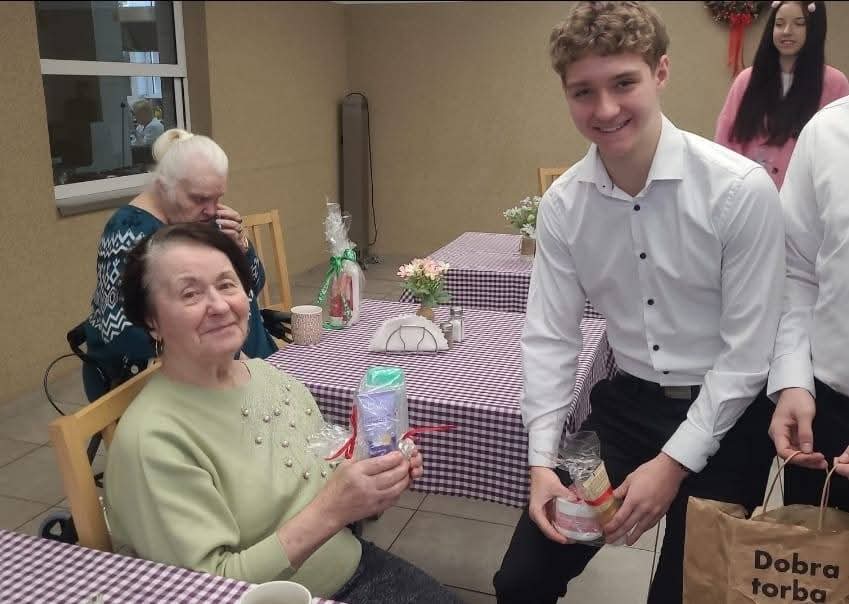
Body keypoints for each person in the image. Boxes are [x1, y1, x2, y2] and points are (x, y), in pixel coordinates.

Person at [492, 2, 784, 602]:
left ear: (661, 72)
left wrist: (673, 464)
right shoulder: (565, 205)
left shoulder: (737, 191)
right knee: (521, 579)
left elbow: (748, 354)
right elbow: (550, 338)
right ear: (566, 94)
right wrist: (542, 464)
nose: (605, 109)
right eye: (584, 91)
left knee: (685, 594)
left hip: (730, 414)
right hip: (628, 405)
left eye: (623, 83)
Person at [104, 223, 459, 603]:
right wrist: (333, 510)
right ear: (152, 320)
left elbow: (324, 482)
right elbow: (210, 589)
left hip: (351, 565)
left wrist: (373, 483)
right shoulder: (153, 440)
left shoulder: (268, 375)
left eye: (227, 284)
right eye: (190, 293)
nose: (220, 306)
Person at [82, 129, 278, 401]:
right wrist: (226, 354)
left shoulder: (200, 218)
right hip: (158, 381)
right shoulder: (127, 232)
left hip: (238, 370)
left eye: (218, 198)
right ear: (163, 188)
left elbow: (254, 286)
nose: (212, 210)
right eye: (200, 198)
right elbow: (120, 332)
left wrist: (241, 246)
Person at [767, 94, 849, 508]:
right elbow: (796, 271)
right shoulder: (828, 131)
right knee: (809, 546)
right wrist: (794, 379)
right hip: (827, 414)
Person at [714, 0, 848, 189]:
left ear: (815, 28)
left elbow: (839, 150)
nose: (786, 31)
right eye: (779, 23)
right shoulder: (747, 80)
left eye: (799, 23)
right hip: (750, 194)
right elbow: (725, 144)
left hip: (806, 196)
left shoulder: (835, 84)